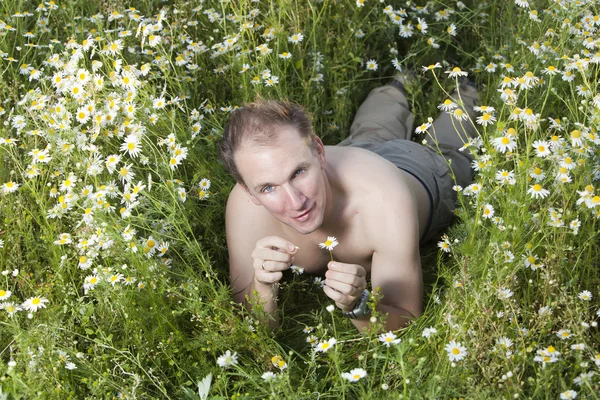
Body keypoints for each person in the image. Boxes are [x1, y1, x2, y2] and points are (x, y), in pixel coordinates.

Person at [218, 73, 479, 332]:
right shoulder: (245, 208)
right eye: (268, 188)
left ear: (319, 153)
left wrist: (360, 306)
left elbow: (406, 316)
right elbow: (251, 330)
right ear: (248, 191)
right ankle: (399, 82)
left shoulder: (383, 199)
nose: (296, 202)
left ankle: (465, 88)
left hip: (417, 169)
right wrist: (262, 287)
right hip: (358, 152)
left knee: (450, 149)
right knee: (371, 131)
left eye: (298, 173)